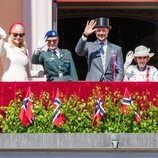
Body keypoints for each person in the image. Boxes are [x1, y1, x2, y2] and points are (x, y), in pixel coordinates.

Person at [75, 17, 124, 81]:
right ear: (95, 32)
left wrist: (116, 84)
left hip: (110, 84)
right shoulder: (89, 46)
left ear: (108, 31)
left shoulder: (117, 49)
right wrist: (85, 35)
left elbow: (120, 71)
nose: (101, 33)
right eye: (98, 30)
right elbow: (78, 51)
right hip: (92, 83)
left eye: (103, 30)